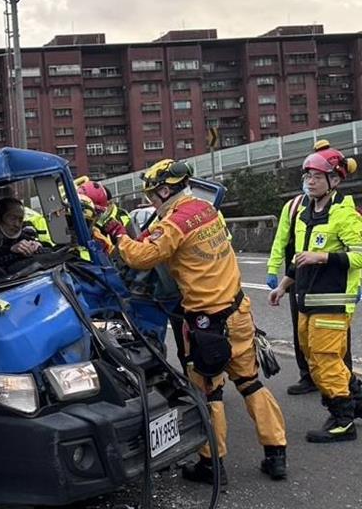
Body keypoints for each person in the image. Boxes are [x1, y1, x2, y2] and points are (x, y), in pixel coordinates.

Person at [100, 158, 288, 482]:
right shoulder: (205, 209)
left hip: (207, 323)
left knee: (208, 391)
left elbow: (141, 257)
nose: (150, 203)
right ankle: (276, 453)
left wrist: (118, 234)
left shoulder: (173, 225)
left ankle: (211, 465)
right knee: (250, 382)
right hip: (238, 312)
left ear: (163, 191)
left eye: (151, 197)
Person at [268, 147, 362, 442]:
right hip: (306, 300)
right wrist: (284, 285)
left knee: (325, 360)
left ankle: (343, 420)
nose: (310, 181)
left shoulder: (344, 214)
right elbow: (299, 257)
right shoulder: (304, 213)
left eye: (317, 176)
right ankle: (356, 401)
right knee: (312, 357)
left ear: (334, 180)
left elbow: (359, 255)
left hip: (332, 301)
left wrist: (323, 257)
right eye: (307, 175)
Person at [0, 197, 51, 269]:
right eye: (13, 218)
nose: (17, 224)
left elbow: (50, 249)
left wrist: (38, 246)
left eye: (20, 220)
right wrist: (11, 250)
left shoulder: (22, 236)